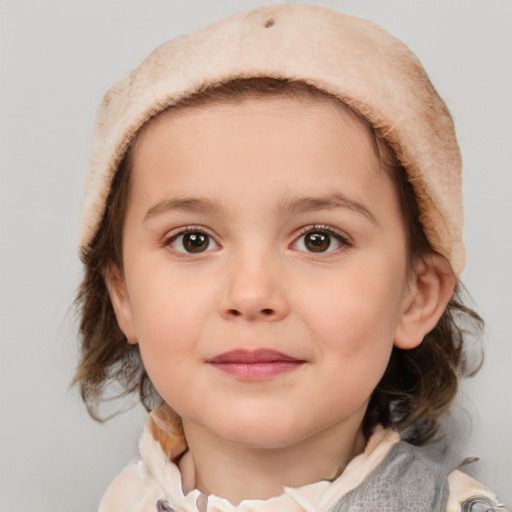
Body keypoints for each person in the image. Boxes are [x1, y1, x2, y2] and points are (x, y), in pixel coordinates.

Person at [74, 5, 509, 511]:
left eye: (319, 239)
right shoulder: (124, 499)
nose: (252, 295)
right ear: (123, 294)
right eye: (193, 240)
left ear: (416, 296)